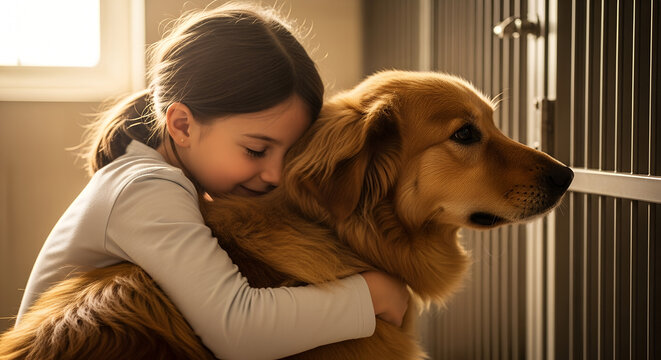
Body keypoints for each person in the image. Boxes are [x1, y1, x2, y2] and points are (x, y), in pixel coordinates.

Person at [15, 3, 409, 359]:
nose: (275, 175)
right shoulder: (146, 188)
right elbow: (237, 328)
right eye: (256, 150)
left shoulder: (157, 178)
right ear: (182, 125)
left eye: (288, 154)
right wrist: (367, 296)